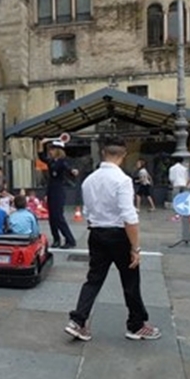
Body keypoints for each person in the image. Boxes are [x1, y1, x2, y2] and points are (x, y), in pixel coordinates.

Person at [65, 137, 160, 342]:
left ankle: (78, 321)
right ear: (123, 155)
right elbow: (129, 216)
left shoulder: (89, 180)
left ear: (103, 153)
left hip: (96, 233)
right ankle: (136, 325)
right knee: (130, 281)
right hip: (118, 235)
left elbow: (88, 211)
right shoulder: (123, 180)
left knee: (94, 279)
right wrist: (135, 247)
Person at [37, 140, 78, 249]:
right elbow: (41, 157)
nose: (50, 151)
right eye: (50, 149)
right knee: (52, 218)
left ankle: (70, 240)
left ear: (58, 150)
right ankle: (56, 239)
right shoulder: (51, 162)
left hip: (58, 191)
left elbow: (67, 168)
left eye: (53, 149)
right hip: (51, 190)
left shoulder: (62, 161)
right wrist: (42, 143)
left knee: (58, 217)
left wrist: (73, 171)